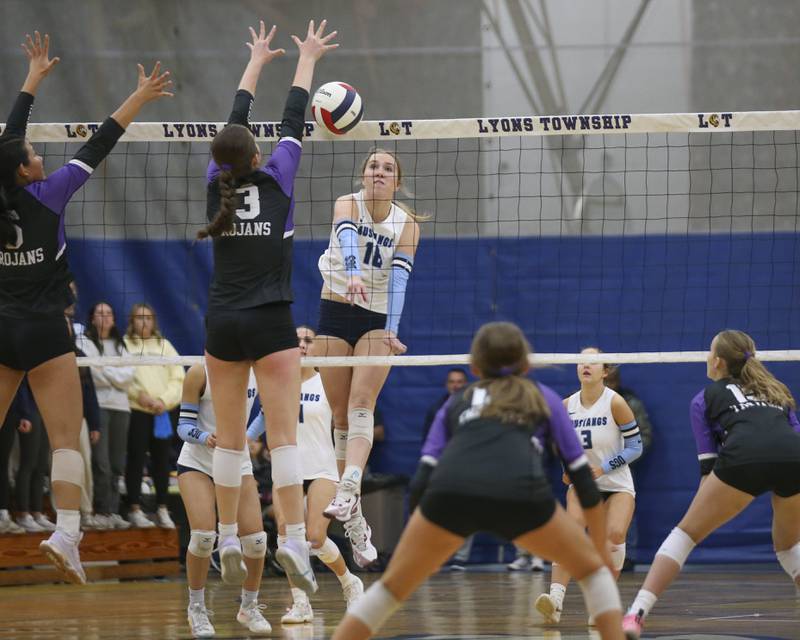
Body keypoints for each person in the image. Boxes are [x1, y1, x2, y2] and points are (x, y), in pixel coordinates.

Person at [0, 30, 171, 583]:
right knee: (66, 439)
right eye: (33, 155)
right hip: (47, 332)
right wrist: (139, 97)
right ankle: (68, 532)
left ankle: (63, 531)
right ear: (26, 171)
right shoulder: (51, 193)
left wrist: (30, 82)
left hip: (2, 330)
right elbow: (101, 140)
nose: (40, 153)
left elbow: (9, 139)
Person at [331, 322, 624, 640]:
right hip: (520, 496)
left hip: (452, 494)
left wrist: (418, 541)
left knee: (391, 589)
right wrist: (600, 550)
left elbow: (423, 478)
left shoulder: (456, 402)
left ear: (473, 367)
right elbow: (581, 478)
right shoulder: (545, 398)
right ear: (526, 365)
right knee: (596, 576)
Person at [198, 19, 337, 594]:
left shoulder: (214, 181)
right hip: (271, 319)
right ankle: (295, 543)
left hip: (221, 322)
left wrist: (253, 60)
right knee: (281, 437)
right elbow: (295, 113)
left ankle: (227, 537)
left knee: (230, 440)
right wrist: (305, 57)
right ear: (257, 152)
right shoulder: (279, 174)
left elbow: (234, 120)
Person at [622, 330, 800, 639]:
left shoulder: (704, 398)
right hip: (794, 460)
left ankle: (636, 613)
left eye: (709, 352)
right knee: (788, 546)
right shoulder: (778, 392)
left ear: (716, 362)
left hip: (744, 458)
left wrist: (698, 516)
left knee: (685, 534)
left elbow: (708, 465)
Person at [316, 147, 421, 530]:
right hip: (335, 307)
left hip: (376, 316)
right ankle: (355, 518)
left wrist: (392, 327)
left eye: (388, 168)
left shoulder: (406, 224)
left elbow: (400, 278)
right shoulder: (347, 203)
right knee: (339, 414)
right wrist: (354, 273)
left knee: (362, 401)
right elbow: (345, 238)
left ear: (397, 181)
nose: (379, 171)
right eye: (373, 166)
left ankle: (349, 484)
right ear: (364, 175)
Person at [247, 326, 364, 624]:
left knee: (314, 537)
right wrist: (247, 438)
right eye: (295, 340)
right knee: (287, 537)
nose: (301, 345)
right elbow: (263, 416)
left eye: (307, 341)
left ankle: (350, 583)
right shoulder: (277, 382)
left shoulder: (328, 383)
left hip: (322, 467)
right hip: (288, 470)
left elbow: (347, 424)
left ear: (316, 347)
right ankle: (301, 603)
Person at [537, 348, 641, 625]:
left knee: (616, 535)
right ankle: (555, 600)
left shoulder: (616, 402)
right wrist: (567, 468)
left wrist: (602, 469)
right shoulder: (565, 405)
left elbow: (636, 446)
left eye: (593, 362)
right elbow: (560, 444)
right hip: (584, 484)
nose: (586, 366)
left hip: (616, 483)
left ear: (605, 371)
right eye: (581, 361)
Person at [177, 361, 269, 636]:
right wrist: (205, 437)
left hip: (236, 460)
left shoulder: (257, 369)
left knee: (256, 541)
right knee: (203, 537)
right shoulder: (199, 372)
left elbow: (268, 411)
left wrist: (246, 436)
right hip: (197, 462)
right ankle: (196, 608)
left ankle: (249, 606)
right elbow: (183, 425)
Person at [124, 302, 184, 528]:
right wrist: (139, 396)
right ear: (132, 321)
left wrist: (163, 401)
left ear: (154, 321)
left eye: (148, 317)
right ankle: (134, 508)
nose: (144, 322)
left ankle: (161, 508)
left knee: (162, 462)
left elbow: (178, 377)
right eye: (139, 318)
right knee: (136, 460)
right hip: (137, 411)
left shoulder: (164, 346)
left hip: (162, 413)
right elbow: (121, 376)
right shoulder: (125, 345)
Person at [77, 302, 134, 529]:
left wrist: (106, 370)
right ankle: (100, 509)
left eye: (109, 313)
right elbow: (92, 375)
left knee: (118, 462)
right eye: (100, 313)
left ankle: (112, 511)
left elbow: (128, 377)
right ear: (92, 318)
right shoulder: (84, 342)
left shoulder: (121, 345)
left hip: (122, 407)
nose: (105, 317)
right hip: (99, 406)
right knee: (101, 462)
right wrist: (114, 373)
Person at [421, 368, 468, 442]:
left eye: (459, 382)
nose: (455, 385)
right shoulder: (436, 409)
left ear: (466, 384)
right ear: (446, 384)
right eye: (451, 382)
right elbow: (429, 440)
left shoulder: (474, 407)